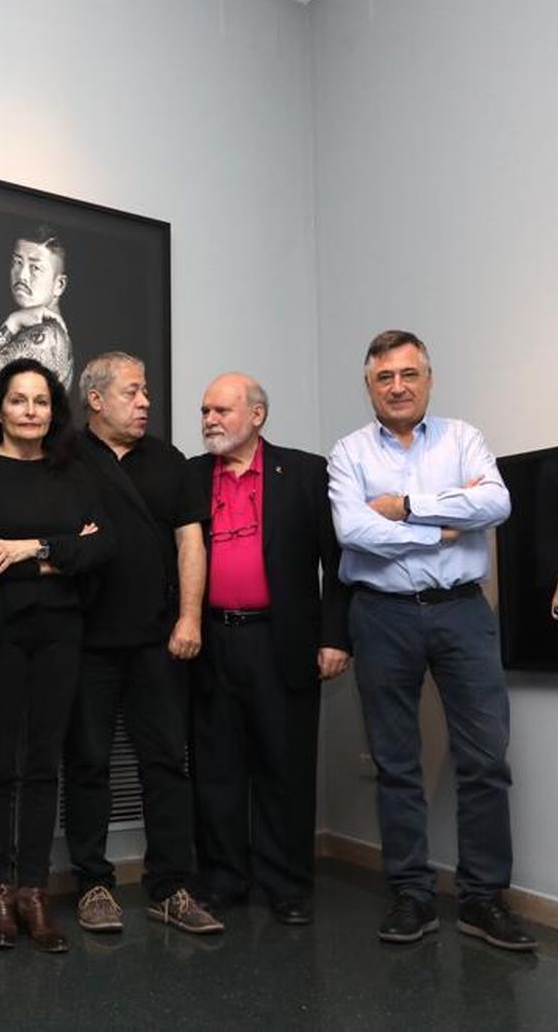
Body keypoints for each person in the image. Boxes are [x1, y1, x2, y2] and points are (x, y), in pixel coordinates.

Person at [327, 330, 536, 951]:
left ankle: (482, 898)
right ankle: (412, 894)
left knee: (485, 758)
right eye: (384, 377)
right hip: (381, 615)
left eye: (409, 374)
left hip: (462, 613)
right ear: (369, 385)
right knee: (395, 762)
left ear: (428, 379)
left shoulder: (464, 438)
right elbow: (353, 528)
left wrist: (408, 505)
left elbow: (495, 502)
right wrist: (441, 529)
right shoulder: (349, 453)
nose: (398, 387)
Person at [58, 352, 221, 936]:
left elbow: (191, 542)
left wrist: (190, 619)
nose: (146, 401)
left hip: (159, 637)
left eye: (147, 391)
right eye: (132, 392)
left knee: (165, 764)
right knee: (87, 765)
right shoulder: (64, 455)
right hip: (86, 640)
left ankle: (171, 887)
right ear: (96, 400)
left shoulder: (169, 460)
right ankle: (93, 884)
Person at [0, 358, 113, 954]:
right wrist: (61, 557)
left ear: (55, 411)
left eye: (42, 401)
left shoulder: (72, 473)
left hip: (59, 634)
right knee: (0, 763)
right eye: (19, 400)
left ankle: (33, 892)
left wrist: (31, 549)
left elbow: (105, 549)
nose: (30, 411)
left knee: (46, 762)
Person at [189, 373, 350, 927]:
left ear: (256, 415)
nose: (210, 419)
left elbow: (339, 562)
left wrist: (334, 637)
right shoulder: (191, 476)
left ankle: (287, 886)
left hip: (281, 640)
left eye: (222, 410)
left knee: (285, 765)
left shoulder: (305, 473)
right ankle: (225, 881)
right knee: (218, 769)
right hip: (212, 642)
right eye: (205, 410)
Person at [0, 228, 74, 404]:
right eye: (17, 262)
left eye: (35, 267)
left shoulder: (45, 338)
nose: (22, 275)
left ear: (59, 285)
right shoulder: (41, 330)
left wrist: (13, 322)